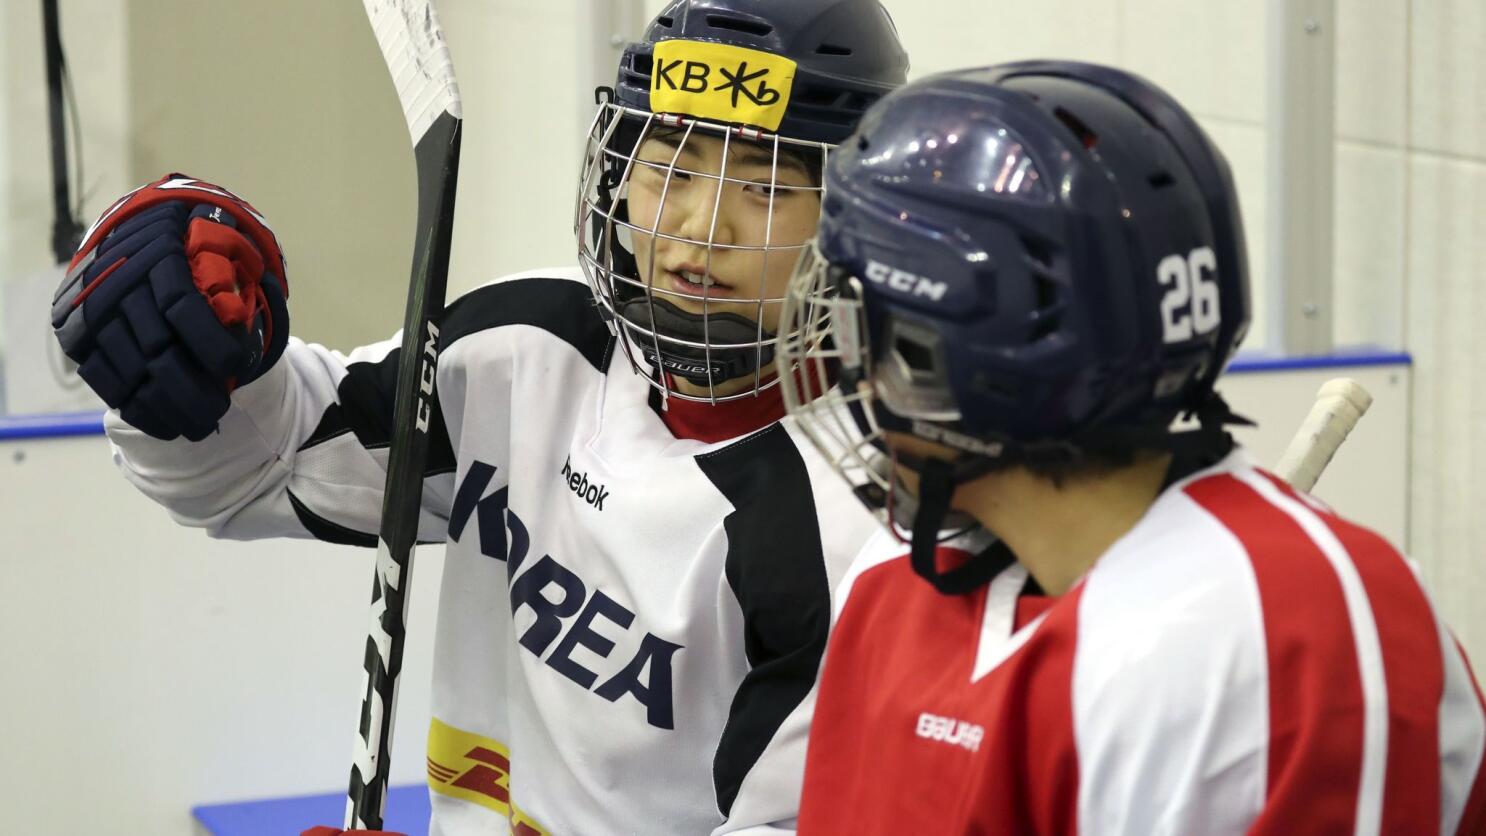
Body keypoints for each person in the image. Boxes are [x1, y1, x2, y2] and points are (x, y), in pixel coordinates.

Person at [48, 2, 910, 834]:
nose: (698, 227)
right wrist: (187, 359)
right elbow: (256, 470)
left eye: (763, 187)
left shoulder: (864, 521)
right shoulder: (525, 348)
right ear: (618, 169)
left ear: (850, 215)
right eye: (671, 169)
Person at [777, 61, 1486, 834]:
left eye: (859, 320)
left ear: (935, 364)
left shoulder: (1280, 636)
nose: (841, 361)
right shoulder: (892, 584)